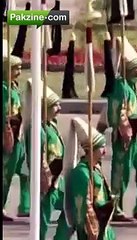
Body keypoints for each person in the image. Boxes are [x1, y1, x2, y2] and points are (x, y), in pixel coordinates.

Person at [97, 36, 137, 222]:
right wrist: (123, 126)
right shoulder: (120, 87)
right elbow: (117, 110)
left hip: (136, 136)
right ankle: (115, 209)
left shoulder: (132, 87)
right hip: (124, 136)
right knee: (120, 174)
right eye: (136, 68)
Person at [23, 79, 74, 240]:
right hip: (46, 182)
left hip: (57, 181)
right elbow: (37, 157)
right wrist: (44, 176)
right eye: (55, 106)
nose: (59, 109)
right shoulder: (37, 130)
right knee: (42, 222)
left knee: (71, 211)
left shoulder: (51, 125)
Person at [66, 117, 116, 240]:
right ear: (91, 149)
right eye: (101, 147)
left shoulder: (95, 168)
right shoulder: (82, 173)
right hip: (94, 229)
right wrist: (93, 230)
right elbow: (83, 205)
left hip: (104, 226)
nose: (105, 151)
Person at [3, 45, 30, 221]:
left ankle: (25, 205)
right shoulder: (4, 89)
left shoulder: (14, 87)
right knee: (6, 175)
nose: (18, 72)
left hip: (19, 134)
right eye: (15, 69)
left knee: (25, 172)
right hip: (8, 134)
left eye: (19, 68)